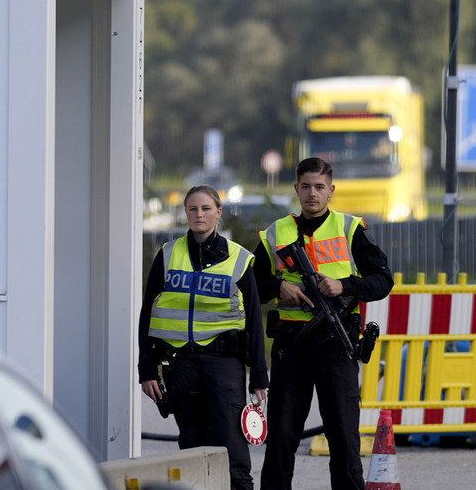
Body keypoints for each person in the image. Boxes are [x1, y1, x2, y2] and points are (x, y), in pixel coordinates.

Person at [256, 157, 393, 490]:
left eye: (319, 187)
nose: (312, 194)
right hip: (292, 346)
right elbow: (252, 285)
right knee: (281, 439)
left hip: (337, 343)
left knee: (344, 438)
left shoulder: (349, 228)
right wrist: (279, 287)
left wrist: (343, 285)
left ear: (331, 190)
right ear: (296, 189)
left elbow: (382, 280)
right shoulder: (276, 232)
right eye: (306, 187)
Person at [137, 185, 268, 490]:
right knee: (192, 447)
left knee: (231, 449)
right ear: (185, 213)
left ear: (218, 213)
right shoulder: (168, 255)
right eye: (193, 209)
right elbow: (148, 313)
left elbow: (253, 321)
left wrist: (258, 375)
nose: (199, 214)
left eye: (206, 208)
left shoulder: (239, 259)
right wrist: (146, 369)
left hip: (224, 363)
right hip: (181, 364)